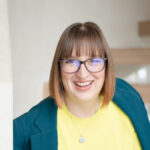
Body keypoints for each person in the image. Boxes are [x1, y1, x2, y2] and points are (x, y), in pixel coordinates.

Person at [13, 22, 150, 150]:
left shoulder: (130, 98)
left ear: (106, 66)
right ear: (59, 68)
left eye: (94, 61)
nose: (83, 74)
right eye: (71, 61)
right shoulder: (31, 125)